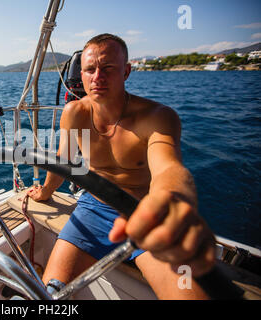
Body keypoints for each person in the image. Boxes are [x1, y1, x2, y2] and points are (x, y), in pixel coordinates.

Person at [27, 33, 216, 299]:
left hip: (146, 215)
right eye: (90, 70)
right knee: (49, 293)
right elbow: (64, 161)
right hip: (93, 210)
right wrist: (45, 192)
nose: (97, 77)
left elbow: (168, 169)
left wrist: (172, 199)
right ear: (80, 75)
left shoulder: (157, 117)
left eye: (108, 69)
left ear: (126, 71)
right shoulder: (74, 113)